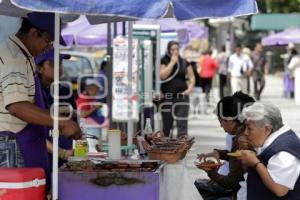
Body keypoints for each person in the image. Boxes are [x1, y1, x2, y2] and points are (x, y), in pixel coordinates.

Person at [0, 12, 81, 190]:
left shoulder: (24, 55)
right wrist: (61, 123)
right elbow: (17, 106)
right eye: (48, 40)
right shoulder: (14, 58)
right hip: (12, 144)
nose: (49, 46)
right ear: (34, 33)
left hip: (24, 142)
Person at [195, 92, 255, 200]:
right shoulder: (240, 133)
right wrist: (219, 153)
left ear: (230, 120)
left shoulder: (240, 139)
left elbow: (230, 183)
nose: (220, 125)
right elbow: (237, 157)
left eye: (221, 121)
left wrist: (210, 172)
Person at [239, 102, 300, 199]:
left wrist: (255, 163)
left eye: (249, 128)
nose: (245, 132)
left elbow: (280, 189)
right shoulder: (269, 138)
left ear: (267, 129)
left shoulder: (284, 152)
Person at [35, 48, 75, 167]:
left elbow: (73, 120)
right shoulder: (34, 92)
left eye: (60, 63)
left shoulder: (65, 90)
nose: (59, 67)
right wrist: (62, 153)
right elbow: (35, 133)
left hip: (65, 159)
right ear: (39, 68)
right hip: (44, 159)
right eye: (53, 64)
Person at [160, 41, 195, 137]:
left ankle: (181, 146)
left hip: (182, 96)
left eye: (177, 49)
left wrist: (189, 89)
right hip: (168, 97)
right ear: (168, 50)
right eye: (173, 49)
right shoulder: (164, 60)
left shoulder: (184, 62)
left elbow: (192, 77)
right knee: (167, 123)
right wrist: (172, 63)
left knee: (182, 123)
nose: (175, 51)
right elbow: (162, 76)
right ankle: (167, 145)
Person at [76, 78, 105, 152]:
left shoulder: (91, 98)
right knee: (89, 151)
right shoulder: (83, 99)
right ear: (90, 89)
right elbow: (82, 115)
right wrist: (95, 108)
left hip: (94, 130)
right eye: (96, 90)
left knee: (95, 149)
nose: (97, 93)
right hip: (87, 131)